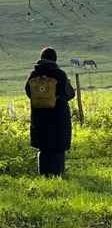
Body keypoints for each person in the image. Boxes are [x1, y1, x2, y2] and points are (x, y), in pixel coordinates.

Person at [25, 48, 75, 177]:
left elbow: (28, 92)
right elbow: (69, 94)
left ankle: (44, 175)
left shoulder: (33, 75)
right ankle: (58, 174)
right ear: (55, 59)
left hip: (40, 117)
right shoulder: (59, 74)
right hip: (58, 116)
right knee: (58, 148)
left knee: (43, 147)